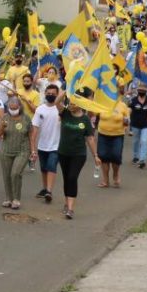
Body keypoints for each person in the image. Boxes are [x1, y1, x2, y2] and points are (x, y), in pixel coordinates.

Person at [56, 89, 98, 219]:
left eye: (74, 103)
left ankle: (70, 208)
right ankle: (66, 201)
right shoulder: (65, 114)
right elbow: (56, 102)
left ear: (80, 104)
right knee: (66, 178)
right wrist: (66, 90)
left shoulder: (85, 120)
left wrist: (95, 155)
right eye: (70, 103)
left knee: (72, 177)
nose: (72, 105)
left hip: (78, 154)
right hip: (63, 152)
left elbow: (90, 139)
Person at [0, 96, 32, 209]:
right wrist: (1, 126)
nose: (13, 110)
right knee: (7, 175)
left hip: (22, 150)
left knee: (15, 173)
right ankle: (8, 198)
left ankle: (16, 199)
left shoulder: (26, 119)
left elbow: (31, 135)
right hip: (6, 151)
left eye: (15, 108)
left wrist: (34, 151)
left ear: (20, 107)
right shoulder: (5, 117)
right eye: (10, 108)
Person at [29, 83, 62, 203]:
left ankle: (49, 191)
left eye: (53, 94)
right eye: (48, 94)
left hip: (56, 145)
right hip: (42, 145)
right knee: (43, 168)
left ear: (57, 95)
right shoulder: (40, 109)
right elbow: (34, 130)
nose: (50, 95)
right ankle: (44, 188)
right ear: (44, 94)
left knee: (51, 166)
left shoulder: (61, 109)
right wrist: (33, 149)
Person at [95, 97, 130, 188]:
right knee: (103, 156)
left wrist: (126, 121)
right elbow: (93, 114)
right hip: (103, 133)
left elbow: (127, 120)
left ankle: (115, 174)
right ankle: (105, 180)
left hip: (117, 135)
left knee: (116, 156)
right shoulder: (102, 104)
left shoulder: (122, 105)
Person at [128, 85, 147, 169]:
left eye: (143, 90)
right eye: (140, 90)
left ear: (146, 91)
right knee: (136, 141)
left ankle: (142, 160)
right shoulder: (133, 100)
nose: (141, 91)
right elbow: (129, 110)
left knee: (144, 140)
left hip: (146, 125)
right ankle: (136, 156)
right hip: (135, 124)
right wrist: (127, 117)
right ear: (138, 90)